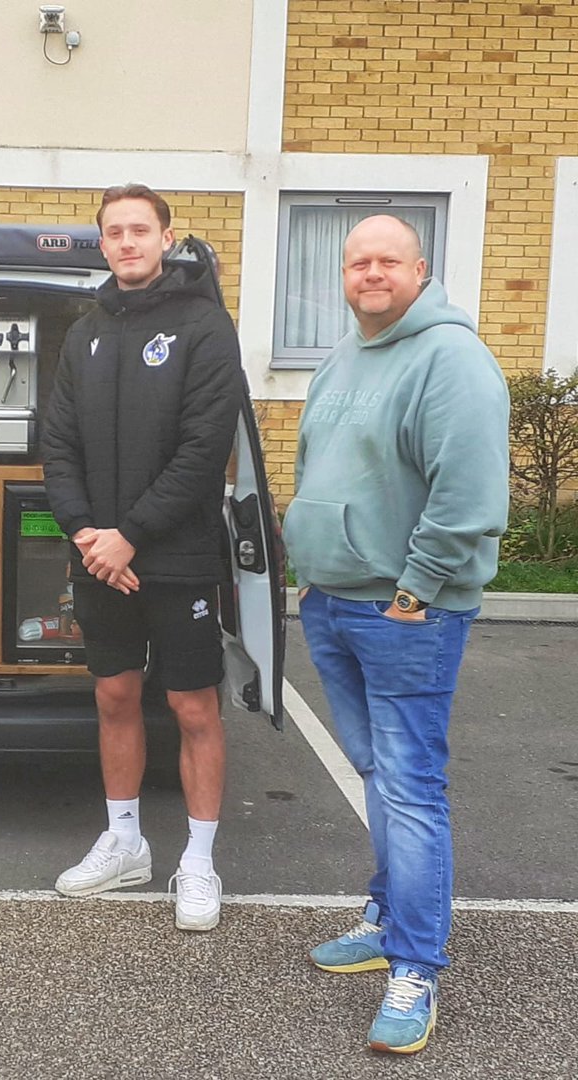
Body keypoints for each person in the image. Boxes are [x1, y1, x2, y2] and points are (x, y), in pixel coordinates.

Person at [284, 215, 509, 1054]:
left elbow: (471, 493)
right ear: (343, 276)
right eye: (356, 262)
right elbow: (319, 470)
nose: (370, 273)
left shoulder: (453, 361)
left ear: (421, 269)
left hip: (406, 612)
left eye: (387, 261)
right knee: (377, 772)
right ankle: (386, 920)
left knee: (411, 786)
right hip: (335, 602)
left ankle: (416, 967)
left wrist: (416, 590)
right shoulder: (343, 358)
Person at [42, 184, 243, 930]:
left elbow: (203, 452)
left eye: (140, 229)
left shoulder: (203, 325)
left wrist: (130, 535)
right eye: (114, 232)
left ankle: (198, 861)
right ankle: (124, 844)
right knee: (115, 698)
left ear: (166, 238)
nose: (127, 242)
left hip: (179, 556)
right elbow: (57, 445)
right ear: (103, 244)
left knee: (193, 707)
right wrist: (90, 535)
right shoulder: (85, 332)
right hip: (102, 557)